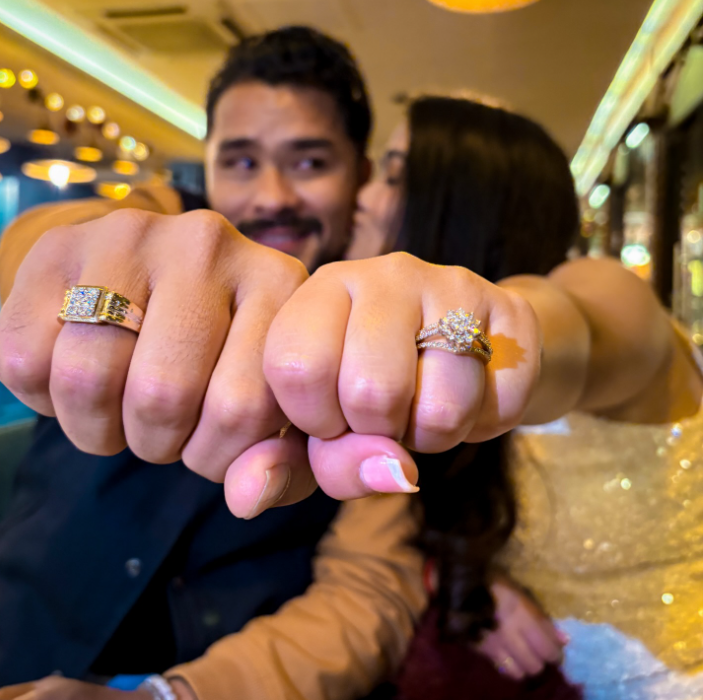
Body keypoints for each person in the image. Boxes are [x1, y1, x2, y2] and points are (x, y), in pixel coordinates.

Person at [0, 27, 426, 699]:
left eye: (310, 162)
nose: (271, 196)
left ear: (360, 176)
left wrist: (166, 697)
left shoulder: (380, 342)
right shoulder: (160, 230)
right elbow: (49, 241)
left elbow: (366, 591)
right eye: (241, 162)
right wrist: (72, 263)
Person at [351, 94, 703, 699]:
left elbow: (560, 335)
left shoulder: (600, 287)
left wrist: (470, 332)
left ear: (468, 201)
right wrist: (470, 578)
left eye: (395, 176)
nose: (363, 197)